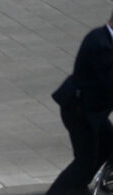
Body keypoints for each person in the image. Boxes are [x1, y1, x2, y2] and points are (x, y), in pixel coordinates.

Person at [46, 10, 113, 194]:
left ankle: (78, 186)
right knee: (85, 161)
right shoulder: (101, 44)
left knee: (107, 143)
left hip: (93, 110)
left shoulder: (103, 39)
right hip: (80, 111)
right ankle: (63, 190)